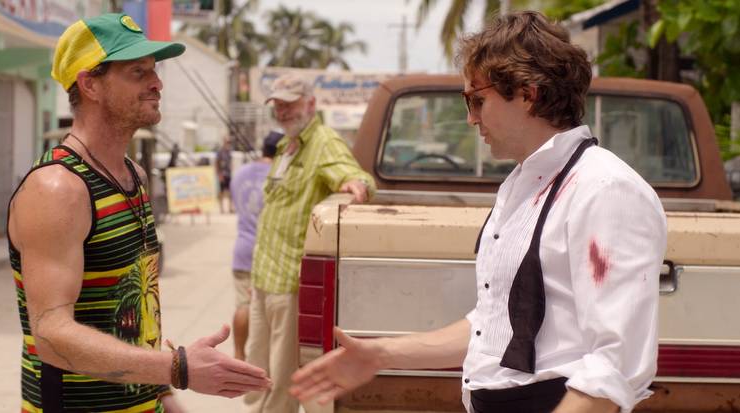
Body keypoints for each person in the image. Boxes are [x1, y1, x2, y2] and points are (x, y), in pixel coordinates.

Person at [290, 11, 667, 413]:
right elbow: (494, 325)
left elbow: (614, 367)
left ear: (527, 93)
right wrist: (381, 354)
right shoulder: (524, 186)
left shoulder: (604, 189)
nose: (470, 118)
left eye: (477, 100)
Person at [7, 13, 270, 413]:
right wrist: (178, 368)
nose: (157, 83)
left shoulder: (134, 176)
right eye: (137, 71)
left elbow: (134, 311)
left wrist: (164, 395)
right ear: (90, 84)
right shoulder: (58, 189)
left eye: (154, 70)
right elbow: (52, 335)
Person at [245, 73, 376, 413]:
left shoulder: (323, 141)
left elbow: (355, 176)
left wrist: (352, 184)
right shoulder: (286, 147)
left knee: (283, 374)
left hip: (289, 282)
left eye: (291, 104)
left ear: (311, 104)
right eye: (278, 105)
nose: (284, 111)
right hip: (264, 278)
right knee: (258, 368)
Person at [230, 131, 284, 361]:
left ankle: (239, 354)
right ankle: (264, 360)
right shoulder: (281, 176)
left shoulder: (240, 173)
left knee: (243, 305)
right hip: (270, 253)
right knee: (266, 310)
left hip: (242, 249)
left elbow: (236, 205)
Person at [216, 137, 234, 213]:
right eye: (227, 142)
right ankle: (221, 208)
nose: (228, 144)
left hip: (228, 174)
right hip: (222, 174)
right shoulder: (220, 152)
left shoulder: (229, 151)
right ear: (224, 142)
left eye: (229, 142)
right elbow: (217, 163)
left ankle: (230, 208)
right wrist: (219, 174)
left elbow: (230, 162)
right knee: (221, 192)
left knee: (230, 191)